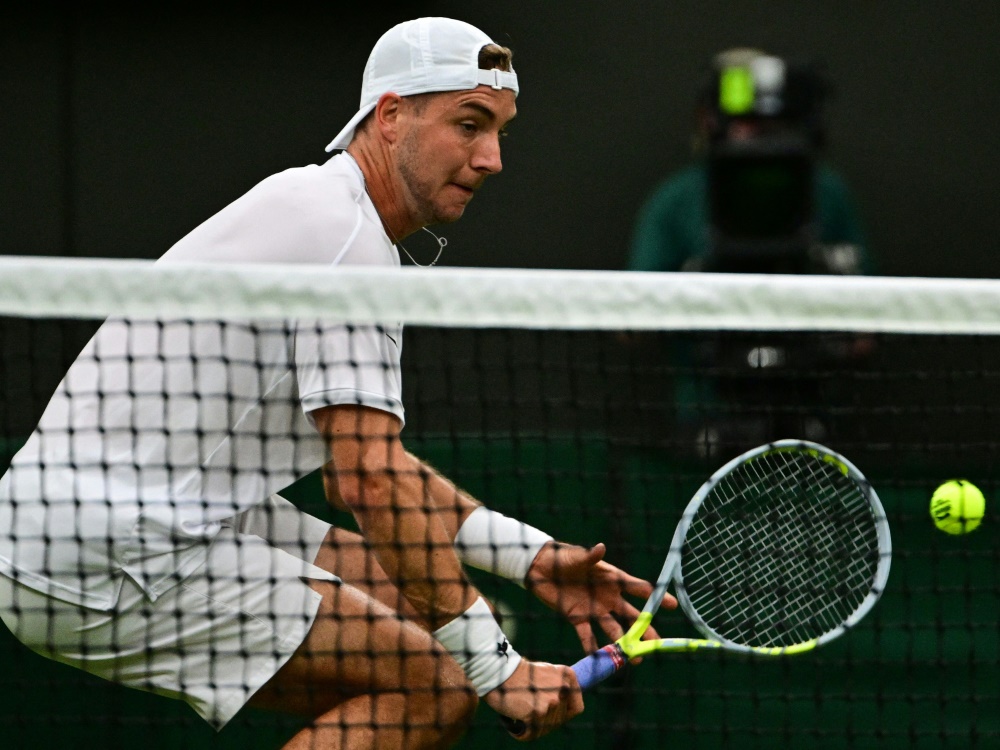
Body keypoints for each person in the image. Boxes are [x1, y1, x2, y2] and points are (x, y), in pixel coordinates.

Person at [0, 17, 674, 749]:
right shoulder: (343, 240)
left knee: (425, 620)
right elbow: (368, 482)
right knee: (439, 687)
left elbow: (366, 470)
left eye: (499, 132)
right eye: (469, 124)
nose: (491, 159)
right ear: (391, 116)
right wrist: (499, 668)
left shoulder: (325, 212)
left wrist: (531, 557)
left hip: (102, 518)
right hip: (109, 547)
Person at [627, 48, 875, 455]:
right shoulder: (675, 201)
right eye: (744, 120)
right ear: (709, 120)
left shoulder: (829, 194)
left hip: (810, 423)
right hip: (707, 416)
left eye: (770, 121)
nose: (757, 131)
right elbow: (629, 322)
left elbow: (867, 331)